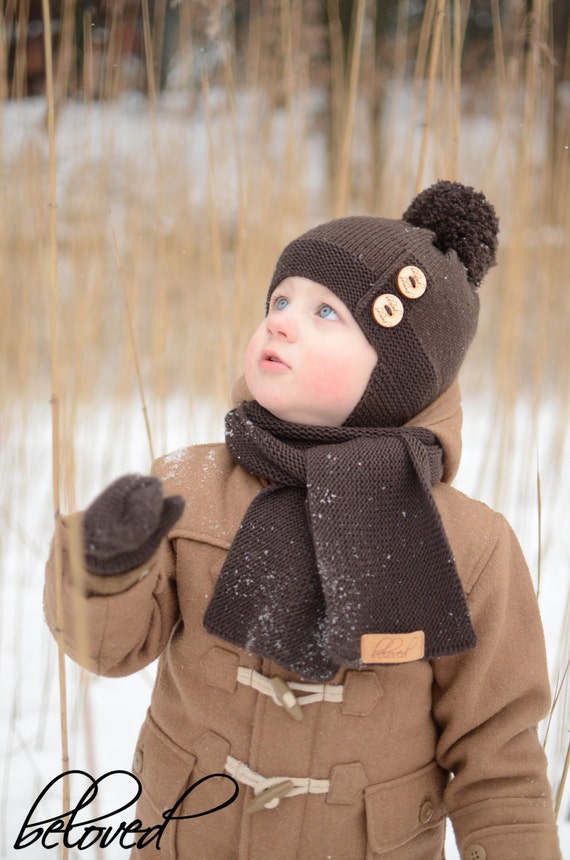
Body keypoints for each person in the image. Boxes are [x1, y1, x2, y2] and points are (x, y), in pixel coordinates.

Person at [44, 180, 562, 859]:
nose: (281, 321)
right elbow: (108, 649)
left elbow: (500, 765)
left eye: (326, 313)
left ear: (399, 377)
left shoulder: (470, 546)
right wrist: (102, 570)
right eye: (281, 300)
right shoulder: (192, 486)